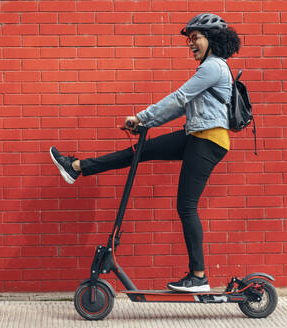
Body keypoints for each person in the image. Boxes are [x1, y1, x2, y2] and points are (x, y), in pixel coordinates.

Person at [50, 13, 241, 293]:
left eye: (196, 38)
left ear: (212, 39)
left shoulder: (213, 68)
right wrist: (144, 122)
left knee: (186, 206)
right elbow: (180, 107)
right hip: (197, 136)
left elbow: (178, 98)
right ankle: (77, 167)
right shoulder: (209, 68)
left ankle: (198, 276)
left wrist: (142, 116)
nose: (191, 44)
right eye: (189, 40)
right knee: (138, 152)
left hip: (208, 140)